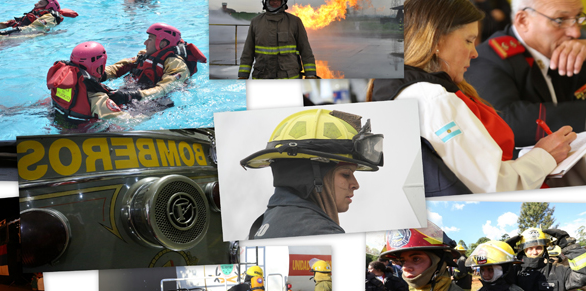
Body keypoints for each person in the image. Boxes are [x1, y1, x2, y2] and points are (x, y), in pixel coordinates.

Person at [368, 0, 576, 196]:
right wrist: (543, 155)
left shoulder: (398, 89)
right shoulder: (434, 99)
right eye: (468, 41)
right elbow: (494, 187)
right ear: (437, 39)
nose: (475, 53)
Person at [241, 109, 384, 239]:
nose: (355, 185)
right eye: (346, 174)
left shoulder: (264, 223)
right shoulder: (322, 233)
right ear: (311, 175)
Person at [464, 0, 586, 148]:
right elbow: (507, 121)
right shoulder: (488, 59)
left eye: (578, 17)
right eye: (560, 20)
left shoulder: (577, 46)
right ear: (523, 21)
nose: (575, 32)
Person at [103, 23, 208, 106]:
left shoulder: (177, 65)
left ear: (162, 44)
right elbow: (121, 66)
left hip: (157, 102)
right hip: (136, 92)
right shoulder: (145, 54)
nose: (145, 42)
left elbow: (163, 89)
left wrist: (130, 96)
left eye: (150, 39)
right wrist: (100, 74)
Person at [47, 41, 129, 127]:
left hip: (58, 123)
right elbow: (127, 121)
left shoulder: (61, 81)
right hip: (83, 134)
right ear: (99, 66)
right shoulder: (98, 99)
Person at [237, 0, 317, 79]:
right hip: (262, 78)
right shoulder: (256, 22)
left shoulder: (295, 22)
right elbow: (247, 52)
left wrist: (310, 75)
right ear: (266, 1)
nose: (275, 2)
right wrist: (243, 76)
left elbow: (305, 50)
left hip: (289, 80)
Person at [0, 0, 73, 36]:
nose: (35, 4)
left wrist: (2, 33)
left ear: (49, 7)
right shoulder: (35, 14)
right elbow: (13, 22)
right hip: (16, 32)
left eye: (40, 3)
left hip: (24, 37)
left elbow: (34, 28)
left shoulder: (50, 17)